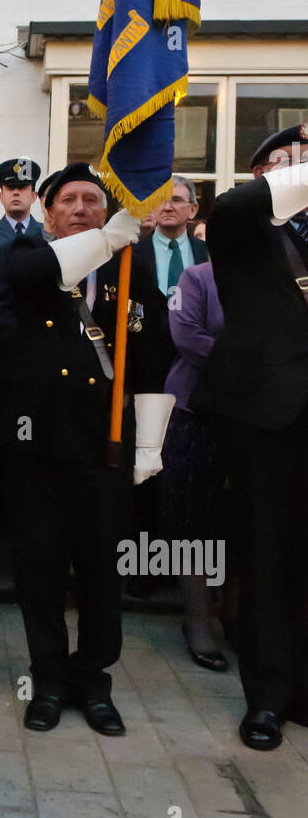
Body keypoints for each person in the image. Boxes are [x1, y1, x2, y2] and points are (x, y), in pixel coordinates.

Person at [0, 163, 172, 736]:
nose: (79, 208)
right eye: (66, 200)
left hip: (104, 447)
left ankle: (94, 682)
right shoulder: (24, 256)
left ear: (104, 209)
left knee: (100, 572)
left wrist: (148, 443)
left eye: (92, 200)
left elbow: (151, 353)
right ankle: (46, 681)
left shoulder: (131, 266)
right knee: (39, 569)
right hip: (32, 443)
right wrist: (109, 239)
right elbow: (38, 275)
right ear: (47, 212)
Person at [191, 125, 308, 751]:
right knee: (265, 558)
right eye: (288, 162)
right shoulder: (245, 224)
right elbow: (233, 205)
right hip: (269, 413)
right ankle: (266, 698)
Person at [160, 258, 230, 669]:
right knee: (193, 518)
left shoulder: (276, 273)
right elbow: (187, 336)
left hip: (260, 414)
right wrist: (251, 364)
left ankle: (237, 615)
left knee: (246, 519)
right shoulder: (199, 276)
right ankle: (198, 620)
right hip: (195, 410)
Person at [134, 175, 208, 299]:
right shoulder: (132, 252)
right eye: (161, 200)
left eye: (176, 200)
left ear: (193, 210)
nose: (167, 208)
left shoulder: (207, 252)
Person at [0, 158, 43, 294]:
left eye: (22, 187)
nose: (16, 192)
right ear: (1, 197)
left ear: (33, 196)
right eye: (10, 187)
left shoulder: (48, 234)